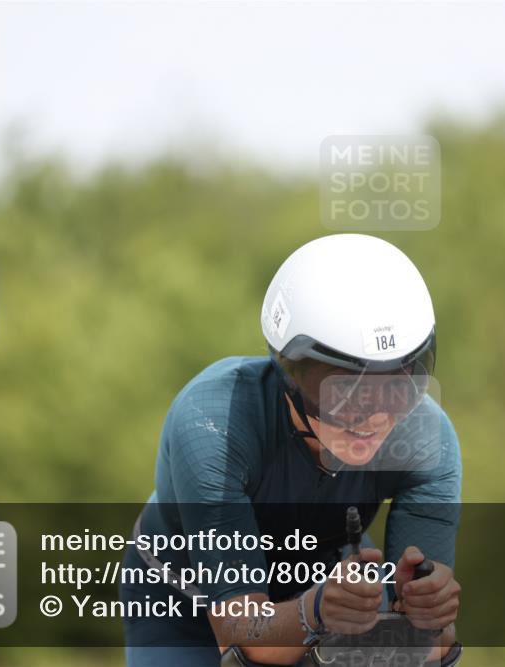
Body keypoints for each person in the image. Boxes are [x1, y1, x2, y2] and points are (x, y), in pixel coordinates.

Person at [120, 234, 463, 666]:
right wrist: (313, 611)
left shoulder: (427, 436)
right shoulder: (213, 422)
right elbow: (244, 641)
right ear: (291, 375)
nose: (376, 417)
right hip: (181, 600)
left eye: (399, 386)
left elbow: (425, 647)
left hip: (327, 586)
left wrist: (433, 618)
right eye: (345, 391)